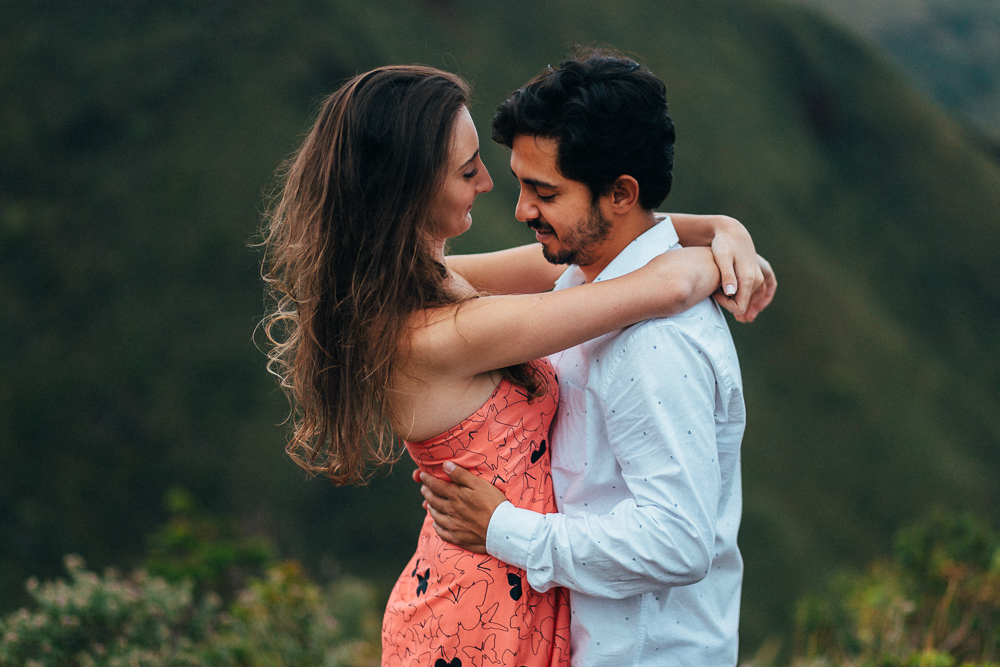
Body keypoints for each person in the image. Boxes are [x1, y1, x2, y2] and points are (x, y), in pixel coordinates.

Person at [261, 65, 769, 667]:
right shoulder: (442, 329)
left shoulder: (425, 286)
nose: (495, 189)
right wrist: (718, 255)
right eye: (468, 169)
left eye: (542, 191)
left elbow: (591, 261)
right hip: (478, 623)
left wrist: (722, 230)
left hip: (551, 616)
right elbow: (666, 282)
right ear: (411, 187)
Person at [419, 49, 769, 666]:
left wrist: (504, 530)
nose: (523, 209)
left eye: (544, 192)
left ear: (619, 194)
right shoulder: (589, 284)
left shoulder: (652, 342)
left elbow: (679, 542)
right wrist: (721, 227)